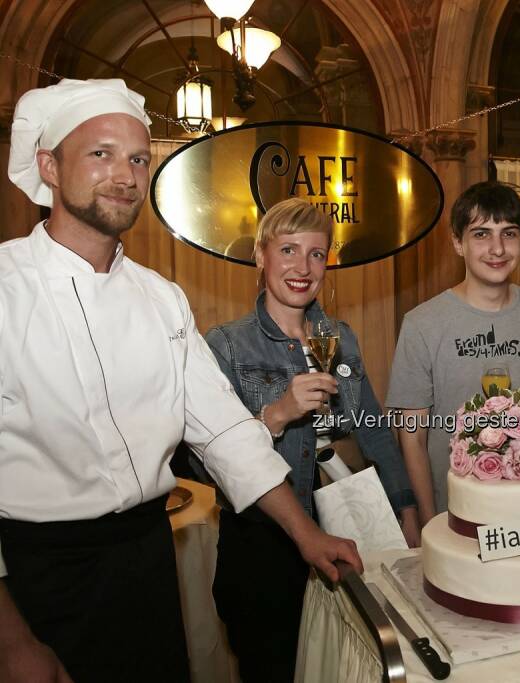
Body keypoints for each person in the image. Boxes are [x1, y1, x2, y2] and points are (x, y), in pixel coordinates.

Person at [0, 79, 361, 683]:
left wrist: (303, 535)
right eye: (101, 153)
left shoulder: (161, 298)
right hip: (34, 576)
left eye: (138, 158)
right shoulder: (5, 289)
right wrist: (11, 643)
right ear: (49, 167)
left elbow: (222, 430)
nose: (125, 173)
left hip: (146, 561)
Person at [202, 198, 416, 681]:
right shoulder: (226, 345)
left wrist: (406, 512)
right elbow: (206, 461)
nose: (303, 267)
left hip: (347, 524)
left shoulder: (338, 335)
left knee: (346, 666)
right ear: (260, 256)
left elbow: (374, 429)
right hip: (264, 544)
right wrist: (277, 414)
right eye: (289, 250)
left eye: (316, 254)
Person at [386, 181, 520, 524]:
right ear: (457, 243)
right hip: (453, 514)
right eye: (481, 234)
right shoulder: (422, 324)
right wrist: (427, 519)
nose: (497, 248)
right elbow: (412, 439)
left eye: (508, 233)